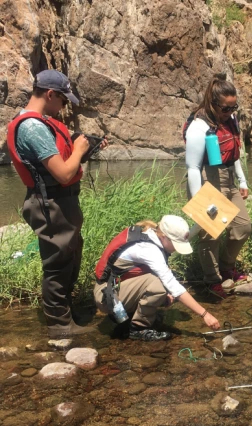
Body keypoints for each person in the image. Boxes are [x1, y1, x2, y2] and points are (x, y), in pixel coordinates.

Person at [6, 69, 107, 339]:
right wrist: (79, 150)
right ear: (50, 94)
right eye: (63, 100)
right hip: (50, 203)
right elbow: (63, 173)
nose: (64, 107)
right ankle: (60, 326)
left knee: (70, 255)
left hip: (60, 200)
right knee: (58, 263)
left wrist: (83, 149)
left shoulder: (39, 122)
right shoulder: (32, 127)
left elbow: (59, 165)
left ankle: (65, 312)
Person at [94, 216, 221, 341]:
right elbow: (174, 286)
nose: (176, 249)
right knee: (160, 286)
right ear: (164, 237)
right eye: (175, 244)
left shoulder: (152, 236)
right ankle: (138, 329)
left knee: (162, 287)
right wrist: (205, 314)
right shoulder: (149, 249)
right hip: (106, 296)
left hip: (114, 289)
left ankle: (130, 314)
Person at [185, 74, 252, 298]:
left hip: (228, 177)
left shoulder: (230, 120)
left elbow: (234, 155)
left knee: (242, 227)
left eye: (234, 107)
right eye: (225, 108)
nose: (230, 113)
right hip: (205, 179)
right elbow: (193, 167)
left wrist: (242, 180)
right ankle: (212, 280)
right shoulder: (199, 126)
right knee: (210, 233)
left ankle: (226, 267)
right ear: (213, 104)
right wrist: (199, 202)